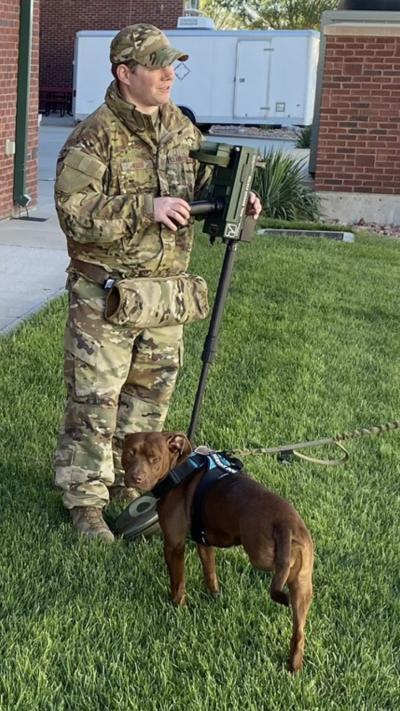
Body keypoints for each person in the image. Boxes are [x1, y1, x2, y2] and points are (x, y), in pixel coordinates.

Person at [54, 23, 262, 542]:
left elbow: (200, 185)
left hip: (164, 297)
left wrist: (238, 201)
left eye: (173, 64)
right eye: (157, 64)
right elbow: (73, 213)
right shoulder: (94, 135)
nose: (170, 73)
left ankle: (135, 488)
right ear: (125, 73)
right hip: (107, 297)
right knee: (95, 402)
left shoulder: (181, 130)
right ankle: (85, 502)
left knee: (149, 402)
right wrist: (145, 208)